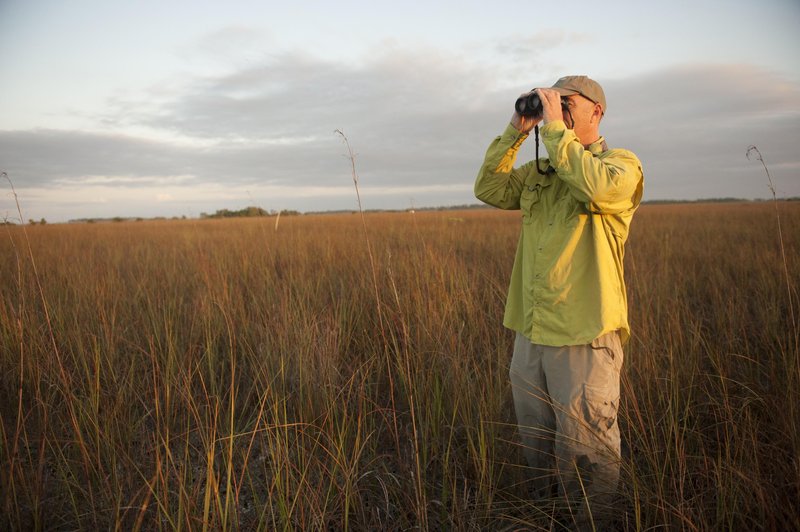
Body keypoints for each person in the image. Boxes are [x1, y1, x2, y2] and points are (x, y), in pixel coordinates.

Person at [474, 75, 643, 527]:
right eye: (552, 102)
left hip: (584, 336)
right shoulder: (541, 173)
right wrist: (517, 128)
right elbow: (489, 188)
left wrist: (553, 132)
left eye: (567, 103)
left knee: (586, 453)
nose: (558, 110)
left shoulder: (619, 166)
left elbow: (596, 187)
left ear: (597, 112)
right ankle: (542, 520)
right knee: (536, 447)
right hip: (531, 333)